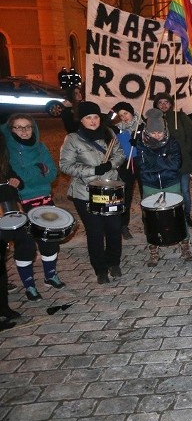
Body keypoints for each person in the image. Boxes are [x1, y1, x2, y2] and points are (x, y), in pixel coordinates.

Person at [59, 101, 126, 284]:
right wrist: (93, 170)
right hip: (85, 192)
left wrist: (111, 164)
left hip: (110, 187)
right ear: (81, 120)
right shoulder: (73, 138)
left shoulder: (109, 132)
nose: (93, 120)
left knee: (113, 228)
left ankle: (114, 262)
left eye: (95, 116)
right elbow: (65, 165)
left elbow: (120, 154)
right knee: (95, 231)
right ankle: (100, 268)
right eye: (88, 117)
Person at [0, 128, 64, 300]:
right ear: (10, 130)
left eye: (27, 126)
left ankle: (50, 276)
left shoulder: (39, 147)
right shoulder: (9, 150)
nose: (24, 131)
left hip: (43, 199)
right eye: (18, 127)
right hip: (19, 204)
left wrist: (25, 178)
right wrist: (37, 171)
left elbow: (51, 174)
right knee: (25, 246)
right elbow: (20, 178)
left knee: (49, 241)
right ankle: (29, 285)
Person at [135, 108, 192, 265]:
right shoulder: (141, 144)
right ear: (148, 131)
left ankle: (185, 246)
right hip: (150, 184)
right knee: (150, 217)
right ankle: (153, 249)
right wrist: (164, 160)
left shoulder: (172, 142)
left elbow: (175, 165)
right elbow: (143, 166)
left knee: (177, 215)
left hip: (171, 183)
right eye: (153, 133)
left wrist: (156, 161)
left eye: (159, 132)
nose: (157, 136)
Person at [152, 94, 192, 227]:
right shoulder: (153, 119)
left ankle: (186, 214)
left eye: (166, 102)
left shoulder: (180, 117)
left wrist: (185, 149)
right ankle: (173, 216)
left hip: (182, 161)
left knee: (185, 191)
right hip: (164, 164)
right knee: (169, 192)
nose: (164, 105)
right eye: (160, 103)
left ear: (171, 104)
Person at [111, 102, 143, 240]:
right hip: (126, 164)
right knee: (126, 195)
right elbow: (114, 148)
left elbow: (151, 142)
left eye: (126, 113)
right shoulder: (117, 129)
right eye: (121, 115)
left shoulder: (142, 124)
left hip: (142, 163)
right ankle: (123, 225)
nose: (124, 117)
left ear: (131, 112)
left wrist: (140, 142)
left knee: (146, 193)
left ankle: (149, 222)